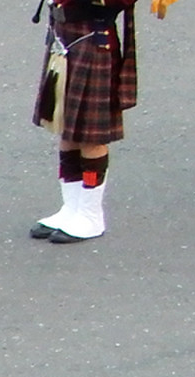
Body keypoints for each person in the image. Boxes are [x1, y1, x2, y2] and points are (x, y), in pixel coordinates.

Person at [27, 0, 137, 242]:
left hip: (92, 36)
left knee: (90, 135)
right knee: (66, 128)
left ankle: (91, 214)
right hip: (65, 35)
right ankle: (71, 208)